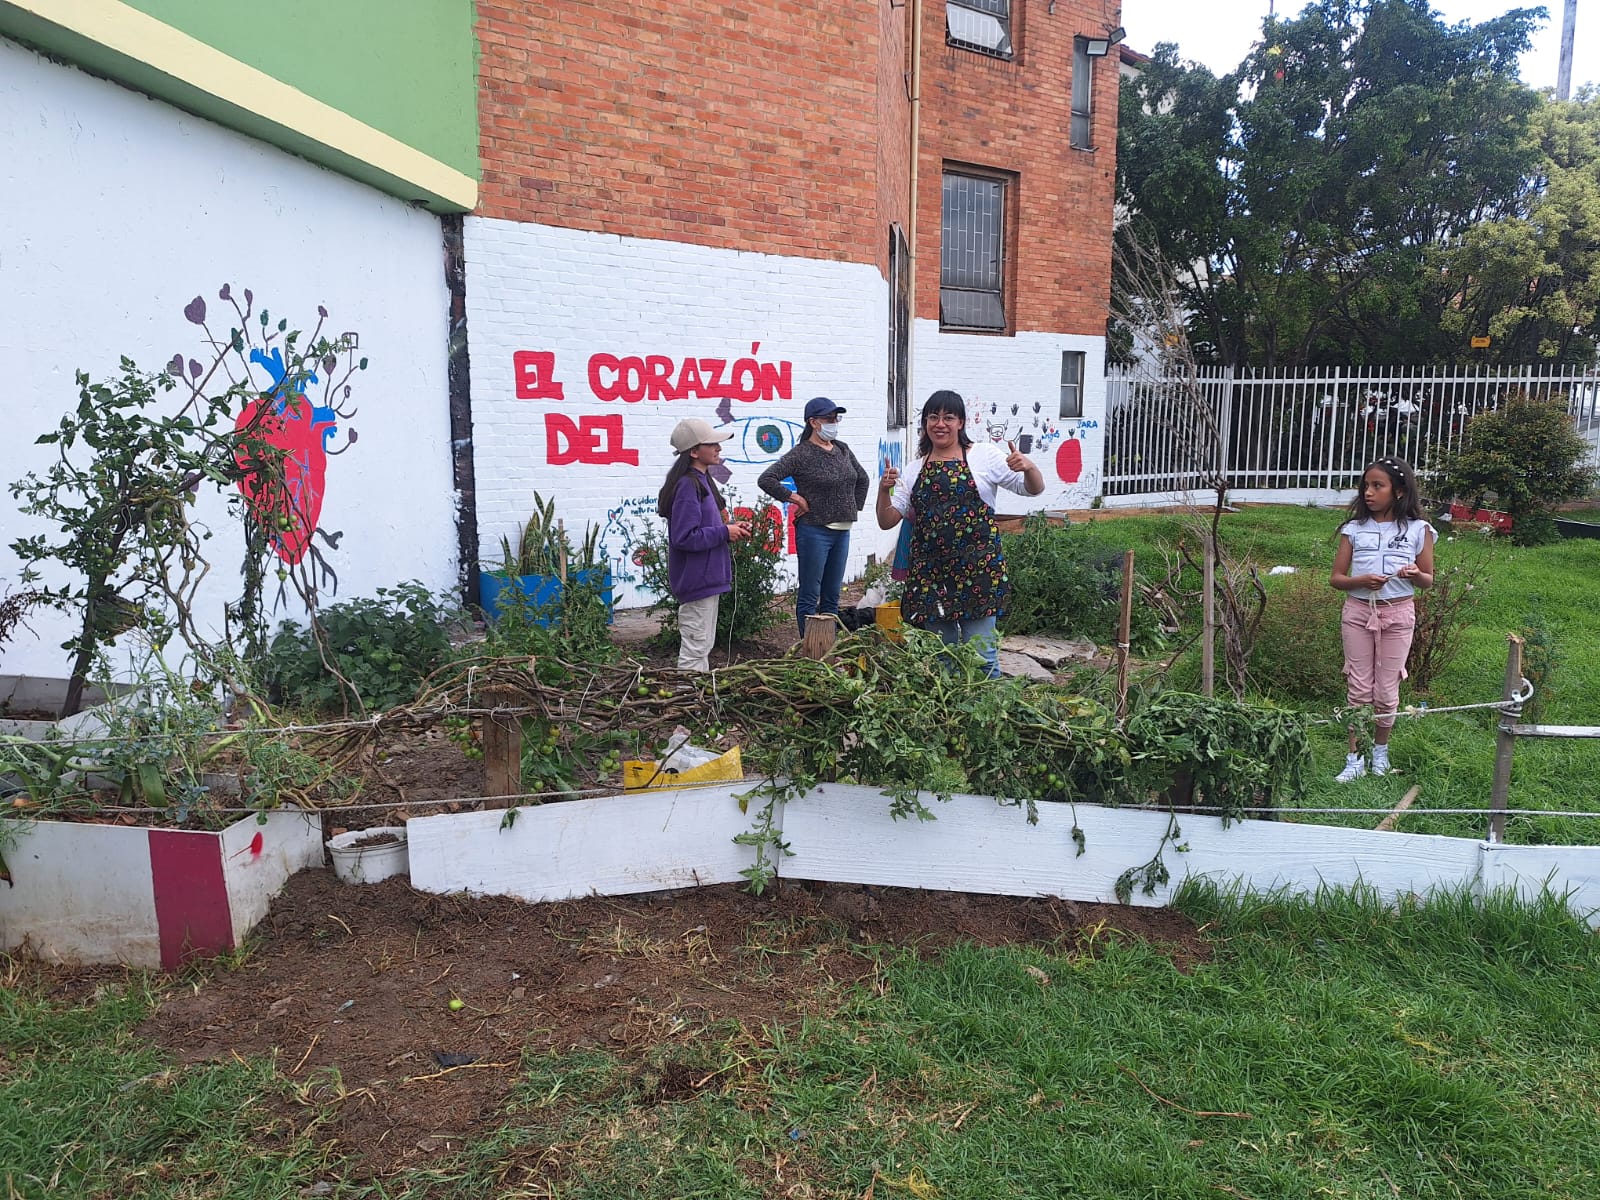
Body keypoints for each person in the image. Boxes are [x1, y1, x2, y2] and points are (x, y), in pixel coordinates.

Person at [875, 389, 1045, 677]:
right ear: (925, 424)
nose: (940, 424)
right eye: (933, 417)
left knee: (983, 656)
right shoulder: (914, 469)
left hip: (978, 570)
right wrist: (883, 490)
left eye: (948, 417)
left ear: (961, 422)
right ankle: (951, 718)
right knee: (943, 657)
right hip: (931, 575)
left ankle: (988, 717)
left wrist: (1028, 467)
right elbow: (887, 520)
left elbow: (1032, 488)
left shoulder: (984, 456)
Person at [1329, 455, 1436, 781]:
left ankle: (1380, 755)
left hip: (1399, 614)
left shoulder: (1420, 530)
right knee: (1358, 689)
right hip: (1358, 613)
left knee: (1387, 691)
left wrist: (1416, 573)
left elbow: (1428, 580)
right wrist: (1360, 582)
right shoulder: (1354, 530)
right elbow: (1336, 578)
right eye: (1366, 486)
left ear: (1400, 491)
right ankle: (1355, 759)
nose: (1368, 493)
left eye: (1378, 486)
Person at [758, 396, 870, 635]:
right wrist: (795, 498)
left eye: (836, 418)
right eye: (828, 418)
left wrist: (852, 506)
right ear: (814, 422)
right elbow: (766, 479)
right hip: (814, 530)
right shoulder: (802, 454)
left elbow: (862, 479)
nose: (834, 422)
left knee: (832, 595)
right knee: (810, 594)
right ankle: (807, 647)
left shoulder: (842, 448)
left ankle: (826, 646)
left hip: (842, 530)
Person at [659, 418, 751, 671]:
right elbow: (684, 537)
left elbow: (705, 527)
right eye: (711, 443)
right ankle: (686, 703)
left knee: (702, 646)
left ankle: (697, 703)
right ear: (694, 451)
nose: (718, 448)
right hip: (697, 580)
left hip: (706, 579)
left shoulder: (701, 481)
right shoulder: (688, 486)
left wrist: (731, 527)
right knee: (695, 648)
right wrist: (724, 533)